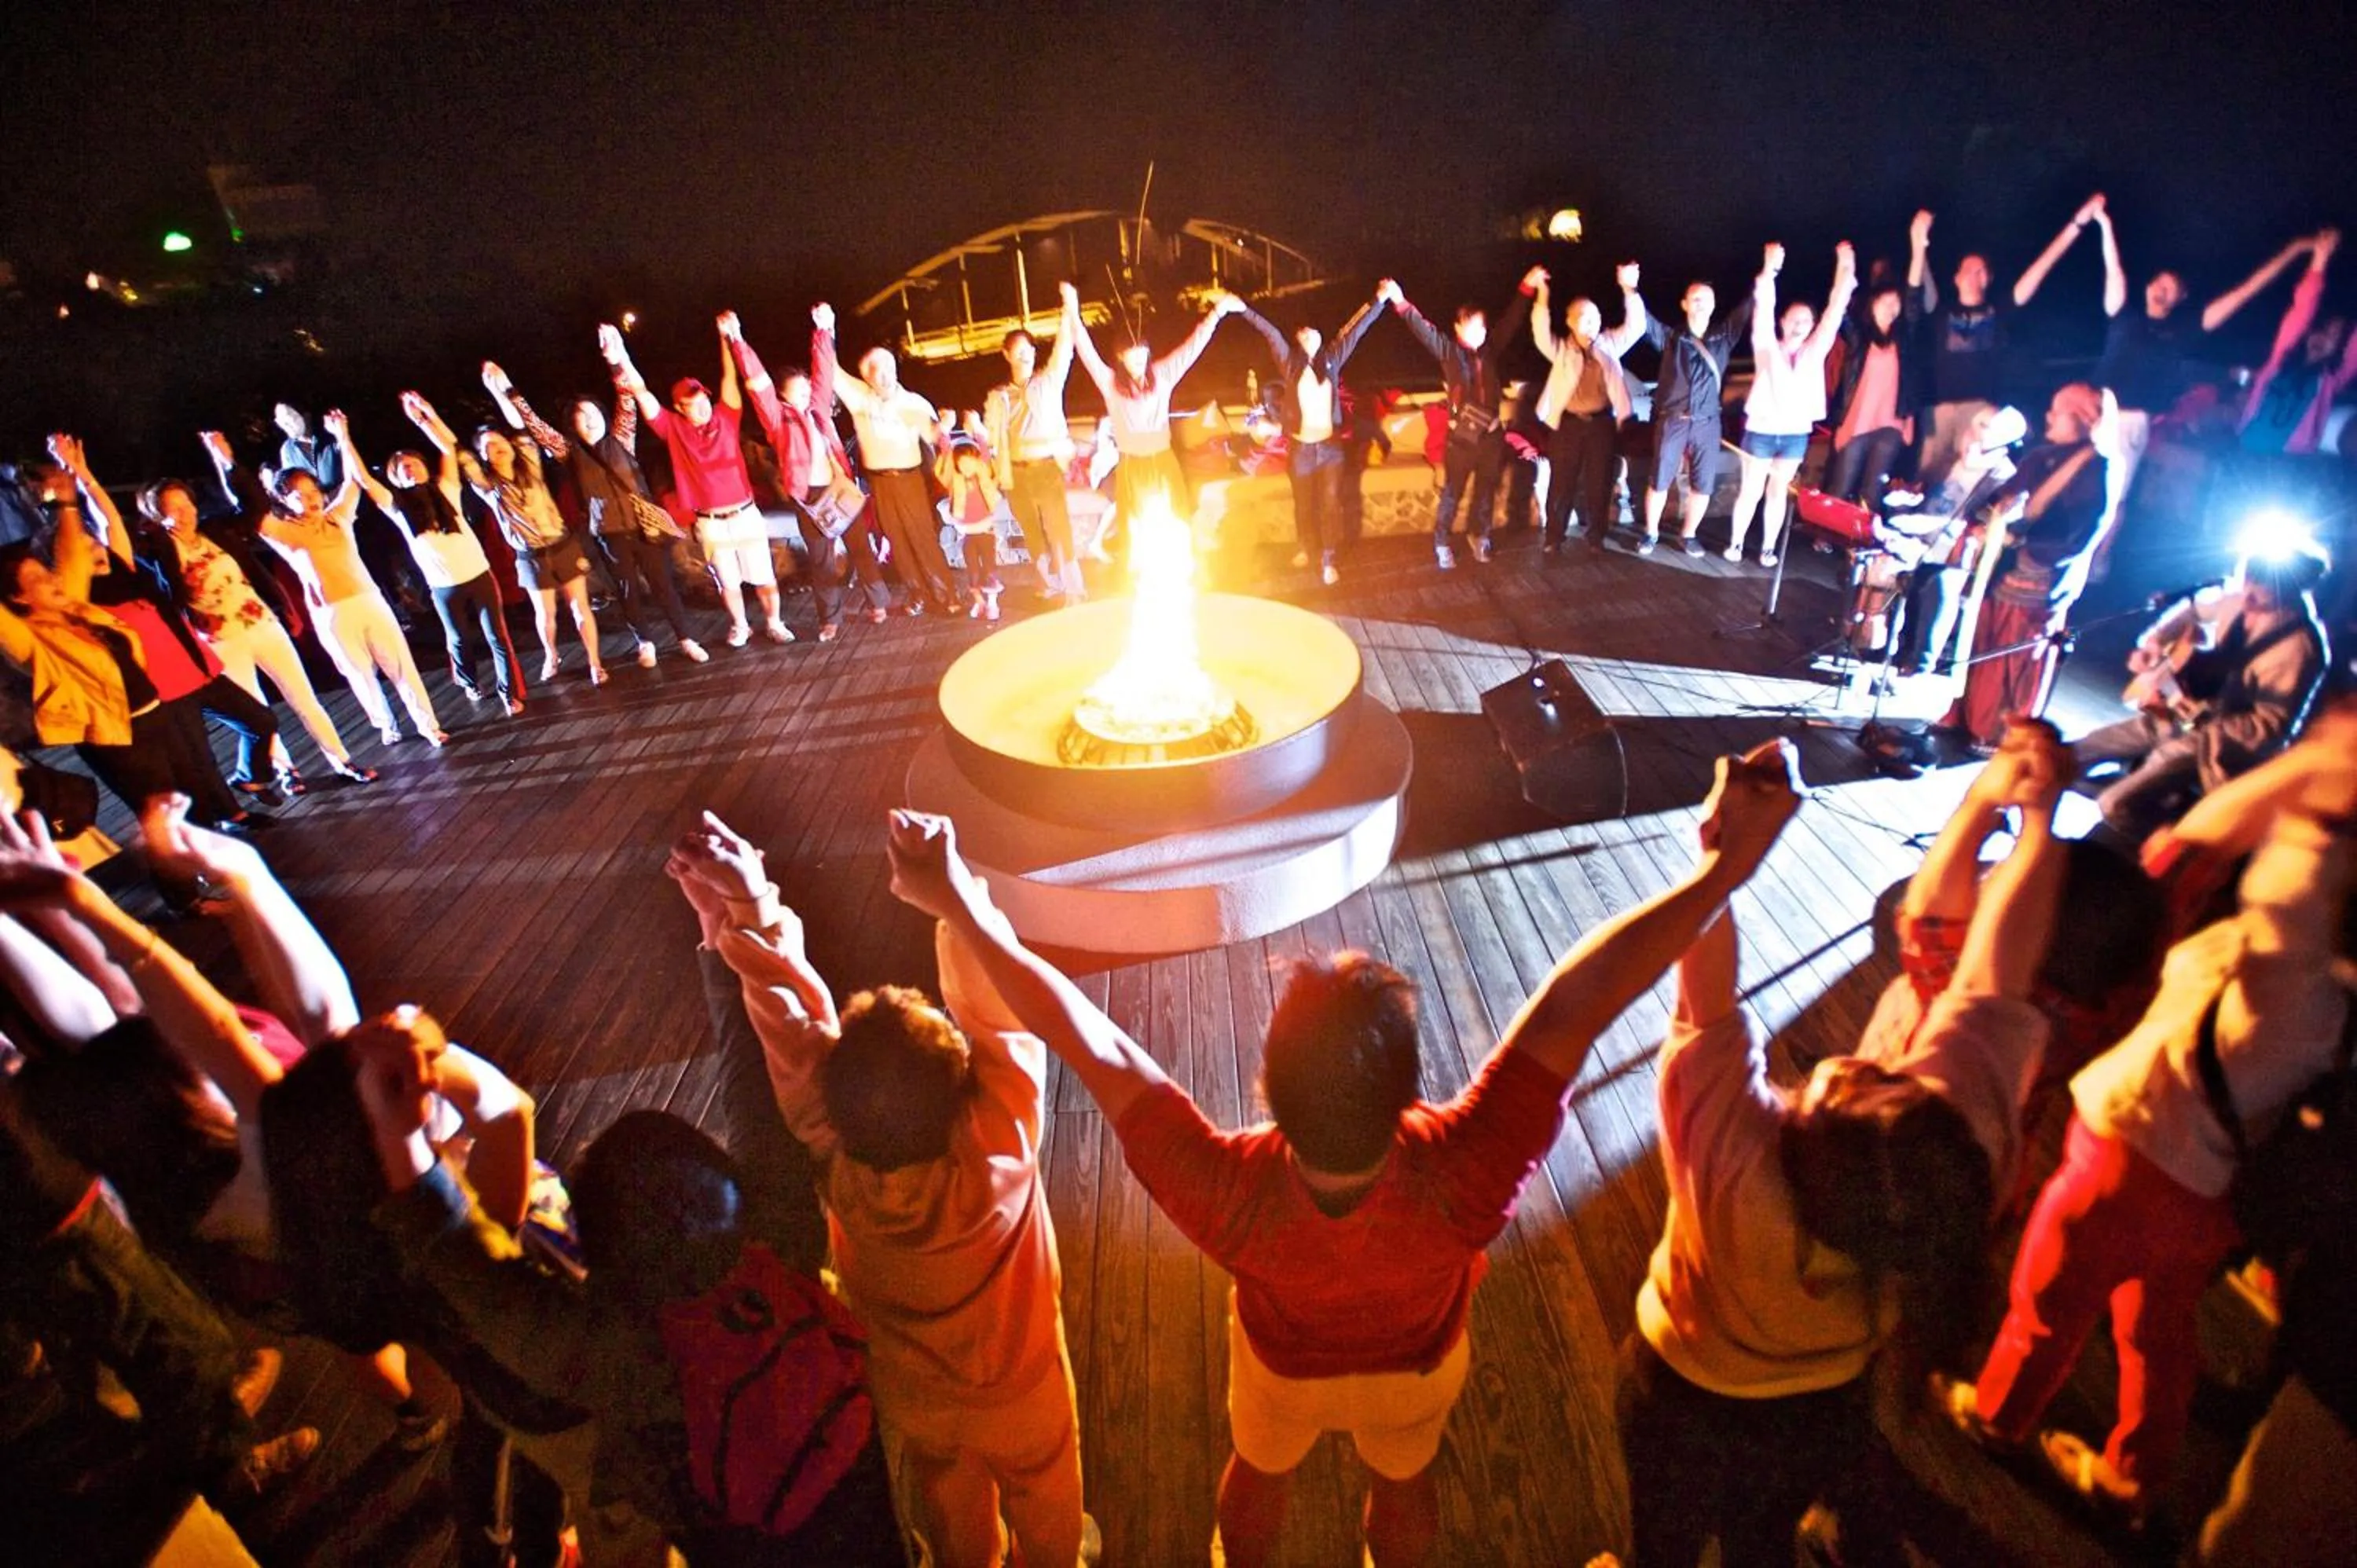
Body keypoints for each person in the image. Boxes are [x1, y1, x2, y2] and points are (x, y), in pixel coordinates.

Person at [880, 742, 1829, 1568]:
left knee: (1258, 1468)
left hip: (1280, 1372)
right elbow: (1584, 998)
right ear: (1410, 1087)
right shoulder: (1468, 1169)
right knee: (1406, 1481)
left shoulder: (1225, 1192)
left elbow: (1088, 1035)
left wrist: (960, 900)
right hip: (1416, 1372)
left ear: (1269, 1089)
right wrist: (1724, 873)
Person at [1618, 721, 2069, 1568]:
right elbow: (1985, 974)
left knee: (1665, 1541)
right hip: (1821, 1405)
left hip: (1679, 1391)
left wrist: (1724, 851)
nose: (1857, 1061)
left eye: (1843, 1081)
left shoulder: (1740, 1172)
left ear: (1802, 1139)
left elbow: (1703, 993)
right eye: (1889, 1074)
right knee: (1762, 1543)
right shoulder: (1946, 1182)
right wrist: (2022, 812)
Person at [1939, 710, 2355, 1531]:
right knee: (2156, 1333)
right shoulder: (2327, 1003)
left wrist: (2318, 770)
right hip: (2209, 1194)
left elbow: (2211, 840)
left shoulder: (2291, 963)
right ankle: (2133, 1475)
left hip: (2129, 1158)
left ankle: (1998, 1417)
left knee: (2047, 1299)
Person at [677, 813, 1088, 1568]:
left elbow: (793, 1031)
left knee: (944, 1484)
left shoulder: (835, 1155)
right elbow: (1001, 1013)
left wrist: (749, 908)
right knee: (1047, 1484)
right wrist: (951, 897)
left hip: (914, 1394)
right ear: (962, 1091)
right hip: (1020, 1389)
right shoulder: (997, 1151)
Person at [358, 1013, 905, 1563]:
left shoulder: (628, 1357)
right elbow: (755, 1099)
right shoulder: (785, 1252)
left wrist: (401, 1137)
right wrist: (729, 942)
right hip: (876, 1518)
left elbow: (484, 1282)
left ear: (606, 1268)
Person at [0, 463, 270, 832]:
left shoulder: (77, 607)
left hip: (153, 711)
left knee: (189, 799)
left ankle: (202, 872)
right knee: (161, 812)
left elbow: (73, 557)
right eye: (39, 578)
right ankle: (183, 891)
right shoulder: (32, 639)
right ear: (18, 596)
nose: (53, 578)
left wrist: (66, 502)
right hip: (117, 732)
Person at [2077, 540, 2332, 841]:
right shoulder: (2236, 600)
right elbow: (2192, 611)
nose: (2247, 591)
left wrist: (2208, 723)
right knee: (2074, 754)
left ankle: (2177, 846)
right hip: (2174, 720)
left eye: (2260, 588)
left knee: (2115, 803)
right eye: (2247, 578)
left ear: (2289, 592)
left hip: (2215, 747)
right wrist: (2155, 645)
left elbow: (2270, 727)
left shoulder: (2299, 649)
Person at [178, 430, 372, 786]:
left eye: (186, 505)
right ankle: (286, 771)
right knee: (257, 709)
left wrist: (227, 462)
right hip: (221, 640)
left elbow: (253, 507)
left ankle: (342, 760)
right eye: (171, 509)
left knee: (303, 697)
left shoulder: (218, 530)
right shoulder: (160, 554)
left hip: (261, 624)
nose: (183, 513)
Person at [487, 364, 708, 669]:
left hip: (644, 527)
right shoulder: (568, 452)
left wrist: (616, 361)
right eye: (582, 417)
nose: (591, 421)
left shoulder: (622, 438)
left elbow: (626, 400)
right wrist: (509, 390)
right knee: (627, 590)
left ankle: (686, 639)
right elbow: (535, 426)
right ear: (573, 425)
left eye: (594, 415)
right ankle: (645, 642)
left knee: (664, 585)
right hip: (609, 533)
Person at [2091, 211, 2320, 504]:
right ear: (2148, 287)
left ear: (2179, 300)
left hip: (2130, 420)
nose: (2163, 290)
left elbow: (2244, 292)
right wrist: (2105, 222)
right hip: (2093, 408)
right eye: (2160, 284)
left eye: (2171, 289)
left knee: (2107, 502)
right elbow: (2114, 268)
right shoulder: (2123, 316)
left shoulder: (2184, 330)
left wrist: (2293, 251)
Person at [1941, 384, 2115, 749]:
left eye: (2058, 412)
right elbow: (2005, 499)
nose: (2048, 417)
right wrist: (1998, 518)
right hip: (2003, 565)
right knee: (1982, 638)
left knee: (2015, 653)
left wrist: (2027, 548)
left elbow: (2083, 530)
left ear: (2083, 421)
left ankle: (2000, 729)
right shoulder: (2041, 457)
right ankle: (1966, 714)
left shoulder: (2097, 467)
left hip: (2041, 575)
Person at [256, 419, 447, 749]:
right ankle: (386, 724)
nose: (310, 500)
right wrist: (232, 469)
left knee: (401, 665)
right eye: (299, 496)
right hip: (332, 613)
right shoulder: (285, 533)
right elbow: (256, 515)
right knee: (360, 674)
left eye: (313, 492)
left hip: (369, 601)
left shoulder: (338, 518)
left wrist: (343, 436)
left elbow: (352, 482)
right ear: (285, 501)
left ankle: (428, 725)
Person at [603, 317, 792, 648]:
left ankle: (775, 622)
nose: (702, 407)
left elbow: (730, 376)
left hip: (745, 513)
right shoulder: (672, 428)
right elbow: (642, 392)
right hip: (710, 521)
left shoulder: (726, 416)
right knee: (727, 580)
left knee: (764, 575)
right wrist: (621, 357)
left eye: (704, 399)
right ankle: (740, 626)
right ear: (680, 407)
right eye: (693, 403)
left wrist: (727, 338)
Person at [408, 387, 607, 688]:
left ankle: (595, 662)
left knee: (580, 606)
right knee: (546, 614)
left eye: (500, 443)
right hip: (531, 556)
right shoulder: (488, 486)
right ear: (484, 456)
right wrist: (427, 418)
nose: (497, 448)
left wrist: (500, 390)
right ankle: (551, 656)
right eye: (488, 447)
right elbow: (454, 450)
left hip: (562, 545)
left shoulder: (531, 467)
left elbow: (519, 427)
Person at [346, 400, 525, 716]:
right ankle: (470, 682)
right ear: (395, 477)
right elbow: (362, 477)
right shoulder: (396, 506)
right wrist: (342, 436)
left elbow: (448, 444)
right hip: (444, 586)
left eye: (413, 462)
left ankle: (508, 694)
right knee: (459, 641)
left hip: (478, 573)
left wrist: (425, 415)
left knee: (497, 636)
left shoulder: (446, 488)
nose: (409, 467)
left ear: (424, 467)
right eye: (401, 467)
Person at [739, 306, 892, 640]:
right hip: (808, 497)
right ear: (784, 394)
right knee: (821, 561)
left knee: (860, 547)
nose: (808, 392)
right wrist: (737, 341)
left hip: (839, 487)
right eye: (800, 389)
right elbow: (758, 386)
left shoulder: (818, 409)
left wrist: (823, 330)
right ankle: (831, 619)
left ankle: (878, 602)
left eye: (808, 388)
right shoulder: (777, 419)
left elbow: (823, 373)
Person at [1069, 288, 1245, 562]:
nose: (1139, 359)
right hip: (1132, 466)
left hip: (1163, 462)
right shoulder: (1110, 384)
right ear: (1121, 358)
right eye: (1132, 354)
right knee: (1138, 527)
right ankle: (1143, 577)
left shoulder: (1162, 375)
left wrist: (1218, 311)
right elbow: (1085, 349)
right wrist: (1071, 308)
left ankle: (1176, 570)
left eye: (1143, 353)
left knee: (1172, 519)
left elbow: (1193, 346)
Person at [1913, 203, 2083, 480]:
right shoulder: (1942, 312)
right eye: (1969, 270)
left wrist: (2075, 224)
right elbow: (1921, 278)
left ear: (1989, 278)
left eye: (1981, 271)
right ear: (1956, 278)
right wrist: (1919, 238)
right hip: (1940, 408)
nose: (1975, 275)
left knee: (1966, 475)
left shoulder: (1997, 312)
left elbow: (2038, 270)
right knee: (1927, 473)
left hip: (1979, 408)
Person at [1236, 285, 1385, 584]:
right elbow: (1270, 332)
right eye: (1302, 335)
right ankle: (1305, 546)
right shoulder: (1290, 364)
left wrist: (1379, 300)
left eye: (1312, 333)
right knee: (1303, 504)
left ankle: (1328, 558)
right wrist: (1242, 308)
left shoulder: (1332, 358)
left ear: (1320, 335)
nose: (1308, 338)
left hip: (1330, 450)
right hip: (1302, 450)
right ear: (1298, 340)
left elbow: (1357, 329)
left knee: (1330, 504)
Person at [1389, 275, 1534, 567]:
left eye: (1481, 328)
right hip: (1462, 441)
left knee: (1485, 493)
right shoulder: (1449, 352)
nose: (1477, 333)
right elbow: (1423, 330)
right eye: (1470, 328)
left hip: (1491, 438)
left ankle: (1479, 536)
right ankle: (1441, 542)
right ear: (1458, 329)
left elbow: (1512, 320)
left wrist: (1526, 288)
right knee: (1452, 494)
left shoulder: (1491, 350)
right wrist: (1399, 300)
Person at [1727, 243, 1857, 566]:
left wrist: (1844, 267)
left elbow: (1835, 311)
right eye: (1794, 319)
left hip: (1795, 435)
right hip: (1761, 430)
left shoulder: (1816, 351)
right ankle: (1736, 542)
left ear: (1812, 325)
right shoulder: (1767, 347)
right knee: (1751, 491)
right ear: (1783, 321)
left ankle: (1768, 548)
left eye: (1806, 321)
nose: (1800, 325)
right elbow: (1763, 309)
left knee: (1778, 492)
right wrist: (1770, 270)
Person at [821, 306, 957, 616]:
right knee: (895, 538)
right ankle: (917, 594)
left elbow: (933, 435)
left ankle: (946, 593)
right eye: (877, 369)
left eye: (889, 365)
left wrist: (944, 425)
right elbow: (830, 369)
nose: (885, 373)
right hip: (879, 482)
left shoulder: (913, 402)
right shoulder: (859, 398)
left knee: (922, 537)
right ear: (867, 376)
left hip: (909, 478)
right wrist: (827, 329)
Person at [1875, 404, 2025, 676]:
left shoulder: (2003, 473)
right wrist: (1907, 495)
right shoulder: (1955, 456)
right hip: (1921, 534)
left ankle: (1921, 661)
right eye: (1978, 425)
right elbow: (1924, 488)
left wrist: (1981, 521)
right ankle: (1889, 646)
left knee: (1939, 591)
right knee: (1899, 580)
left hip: (1957, 547)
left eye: (1986, 428)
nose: (1977, 433)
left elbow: (2001, 516)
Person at [1527, 262, 1647, 555]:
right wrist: (1542, 295)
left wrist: (1629, 289)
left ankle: (1596, 537)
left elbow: (1637, 327)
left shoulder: (1609, 345)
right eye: (1582, 317)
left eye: (1594, 317)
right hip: (1567, 424)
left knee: (1599, 483)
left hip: (1601, 424)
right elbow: (1540, 333)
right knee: (1561, 483)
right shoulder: (1561, 350)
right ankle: (1554, 538)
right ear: (1569, 321)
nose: (1590, 322)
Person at [1633, 270, 1755, 555]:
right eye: (1695, 299)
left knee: (1703, 483)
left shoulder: (1724, 336)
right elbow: (1644, 321)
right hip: (1673, 419)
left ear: (1714, 305)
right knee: (1660, 478)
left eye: (1706, 300)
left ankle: (1688, 535)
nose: (1701, 304)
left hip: (1708, 422)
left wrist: (1767, 273)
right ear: (1684, 304)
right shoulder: (1671, 338)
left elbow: (1747, 307)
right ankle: (1650, 532)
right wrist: (1631, 289)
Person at [984, 285, 1084, 603]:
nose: (1024, 354)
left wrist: (1070, 307)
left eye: (1028, 349)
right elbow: (992, 437)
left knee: (1058, 530)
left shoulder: (1049, 381)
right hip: (1016, 475)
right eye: (1017, 350)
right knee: (1032, 533)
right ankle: (1050, 583)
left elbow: (1065, 348)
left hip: (1046, 469)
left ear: (1034, 352)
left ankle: (1075, 589)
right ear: (1007, 355)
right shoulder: (998, 395)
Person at [2240, 229, 2355, 455]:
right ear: (2309, 333)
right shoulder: (2279, 360)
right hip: (2245, 450)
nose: (2324, 338)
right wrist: (2319, 260)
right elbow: (2302, 310)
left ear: (2339, 349)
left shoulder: (2329, 381)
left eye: (2334, 337)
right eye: (2322, 330)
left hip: (2289, 462)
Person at [1822, 274, 1925, 511]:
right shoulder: (1860, 337)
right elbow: (1840, 314)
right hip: (1858, 423)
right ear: (1873, 306)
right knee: (1842, 482)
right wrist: (1844, 275)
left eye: (1896, 303)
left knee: (1873, 488)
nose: (1892, 308)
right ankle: (1828, 532)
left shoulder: (1904, 340)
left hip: (1891, 424)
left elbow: (1914, 302)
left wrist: (1919, 248)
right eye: (1886, 302)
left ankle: (1861, 539)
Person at [934, 431, 1015, 621]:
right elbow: (944, 468)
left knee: (989, 570)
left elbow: (986, 457)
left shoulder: (984, 478)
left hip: (986, 530)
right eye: (962, 464)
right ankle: (979, 603)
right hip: (967, 534)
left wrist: (979, 435)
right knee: (973, 571)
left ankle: (993, 603)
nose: (967, 468)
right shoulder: (954, 482)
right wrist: (945, 443)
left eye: (971, 463)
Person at [272, 401, 341, 492]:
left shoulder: (330, 436)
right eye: (281, 421)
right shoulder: (287, 451)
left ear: (306, 416)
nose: (285, 425)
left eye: (289, 417)